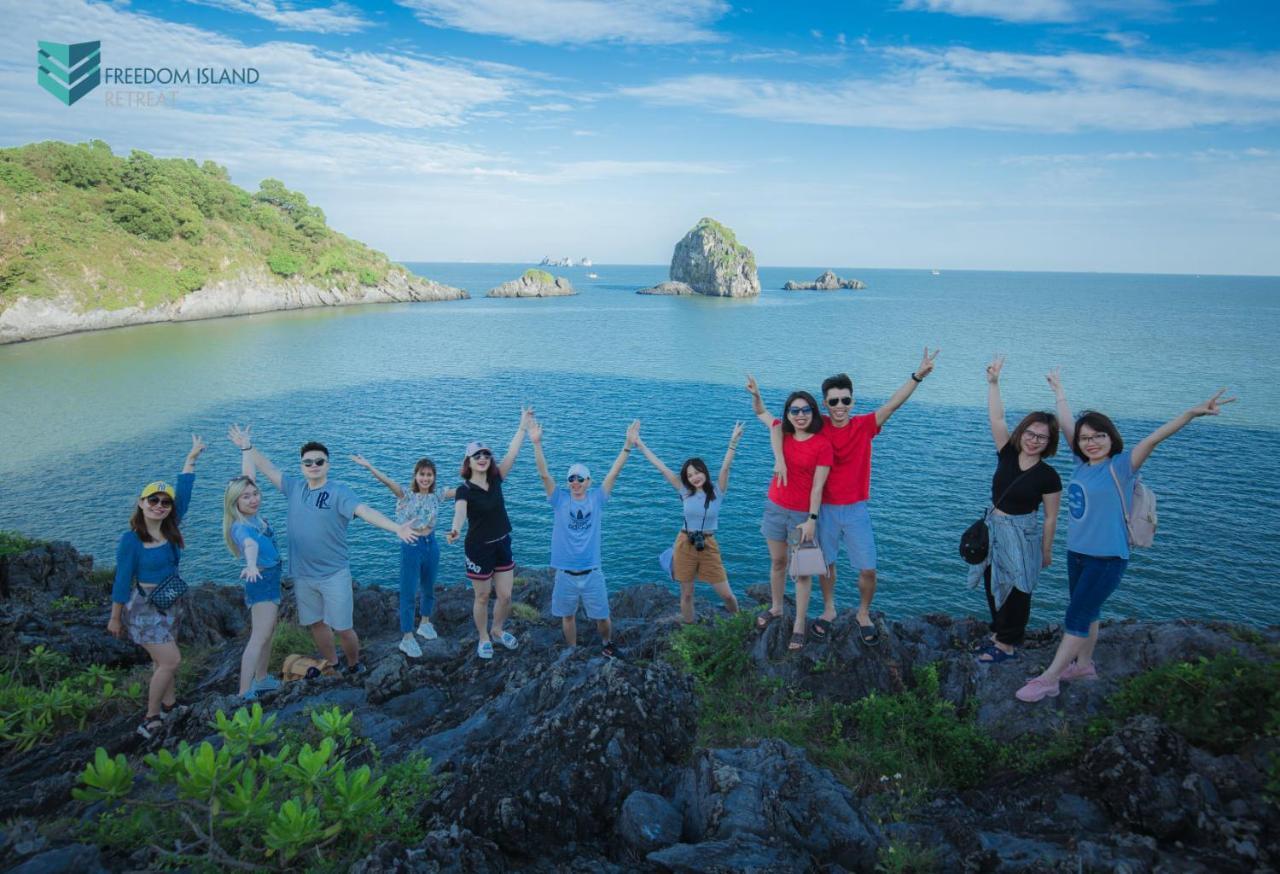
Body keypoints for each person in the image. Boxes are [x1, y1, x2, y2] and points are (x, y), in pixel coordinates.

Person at [1015, 374, 1236, 702]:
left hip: (1107, 558)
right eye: (1086, 438)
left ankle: (1051, 678)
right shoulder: (1081, 463)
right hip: (1077, 554)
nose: (1091, 442)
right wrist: (1060, 392)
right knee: (1088, 613)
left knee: (1075, 616)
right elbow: (1065, 423)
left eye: (1098, 436)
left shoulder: (1121, 466)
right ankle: (1085, 666)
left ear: (1111, 437)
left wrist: (1191, 413)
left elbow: (1155, 438)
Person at [766, 348, 940, 646]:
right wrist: (778, 458)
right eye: (833, 401)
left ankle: (863, 613)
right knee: (826, 565)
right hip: (824, 510)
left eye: (845, 400)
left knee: (868, 569)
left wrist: (917, 376)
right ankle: (829, 608)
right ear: (825, 404)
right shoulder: (816, 425)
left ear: (852, 401)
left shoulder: (864, 426)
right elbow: (779, 423)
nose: (840, 406)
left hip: (856, 509)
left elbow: (893, 404)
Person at [232, 426, 418, 677]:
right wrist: (247, 447)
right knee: (316, 624)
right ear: (302, 466)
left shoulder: (338, 492)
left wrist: (395, 527)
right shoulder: (295, 488)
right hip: (302, 575)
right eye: (308, 462)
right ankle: (332, 661)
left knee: (343, 628)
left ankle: (354, 664)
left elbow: (364, 510)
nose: (313, 465)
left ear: (327, 464)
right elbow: (268, 469)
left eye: (319, 461)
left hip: (334, 574)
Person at [107, 434, 205, 739]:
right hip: (144, 607)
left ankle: (170, 703)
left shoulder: (171, 528)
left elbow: (185, 494)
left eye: (165, 502)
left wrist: (191, 459)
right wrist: (114, 616)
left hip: (170, 601)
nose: (159, 505)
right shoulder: (131, 540)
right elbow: (123, 579)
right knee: (171, 659)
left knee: (162, 661)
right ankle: (150, 716)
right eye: (153, 500)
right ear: (141, 503)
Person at [969, 356, 1062, 664]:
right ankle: (998, 632)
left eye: (1041, 437)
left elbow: (1051, 516)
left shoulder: (1049, 476)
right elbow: (997, 419)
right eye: (1030, 433)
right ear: (1022, 432)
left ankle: (1008, 644)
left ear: (1049, 442)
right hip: (995, 529)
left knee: (1019, 588)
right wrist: (994, 384)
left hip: (1024, 534)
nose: (1034, 440)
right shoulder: (1008, 453)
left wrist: (1046, 550)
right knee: (993, 581)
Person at [530, 417, 639, 657]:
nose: (575, 482)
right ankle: (572, 650)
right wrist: (537, 443)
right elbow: (544, 475)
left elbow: (614, 472)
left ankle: (606, 644)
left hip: (592, 572)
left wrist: (628, 446)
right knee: (567, 616)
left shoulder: (597, 500)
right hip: (565, 574)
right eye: (571, 478)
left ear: (588, 482)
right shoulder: (559, 500)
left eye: (580, 478)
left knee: (602, 617)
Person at [745, 378, 832, 651]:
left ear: (813, 412)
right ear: (788, 414)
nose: (800, 415)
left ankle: (799, 624)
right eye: (794, 410)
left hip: (801, 516)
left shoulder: (821, 445)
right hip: (774, 508)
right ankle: (777, 607)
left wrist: (812, 519)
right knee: (778, 562)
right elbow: (761, 413)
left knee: (803, 572)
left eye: (805, 410)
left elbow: (818, 487)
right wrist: (757, 394)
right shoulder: (781, 433)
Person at [634, 421, 744, 623]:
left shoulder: (718, 491)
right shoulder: (684, 492)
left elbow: (726, 467)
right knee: (686, 594)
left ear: (705, 472)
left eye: (697, 472)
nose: (694, 477)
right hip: (685, 543)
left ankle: (739, 621)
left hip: (708, 544)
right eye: (690, 475)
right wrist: (640, 444)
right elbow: (662, 469)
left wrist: (733, 441)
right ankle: (689, 629)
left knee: (727, 594)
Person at [446, 409, 533, 660]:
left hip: (502, 542)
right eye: (477, 455)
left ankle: (497, 630)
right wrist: (455, 530)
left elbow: (512, 454)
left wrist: (522, 427)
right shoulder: (464, 490)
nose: (483, 458)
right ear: (468, 461)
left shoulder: (496, 479)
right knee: (482, 596)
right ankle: (483, 637)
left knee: (505, 596)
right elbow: (460, 513)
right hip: (478, 547)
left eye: (486, 454)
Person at [351, 453, 455, 659]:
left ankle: (425, 623)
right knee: (408, 592)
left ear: (434, 477)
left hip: (431, 543)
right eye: (422, 474)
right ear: (415, 476)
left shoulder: (437, 496)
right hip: (412, 544)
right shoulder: (405, 495)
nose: (426, 478)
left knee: (428, 587)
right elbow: (386, 481)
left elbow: (462, 491)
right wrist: (369, 466)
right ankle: (407, 637)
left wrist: (482, 476)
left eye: (429, 475)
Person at [222, 425, 283, 699]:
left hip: (269, 577)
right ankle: (244, 692)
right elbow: (249, 544)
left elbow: (249, 477)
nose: (253, 499)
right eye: (246, 497)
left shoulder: (250, 515)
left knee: (267, 632)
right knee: (259, 636)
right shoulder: (241, 527)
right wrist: (249, 564)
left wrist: (246, 448)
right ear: (235, 502)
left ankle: (262, 678)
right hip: (261, 580)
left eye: (255, 494)